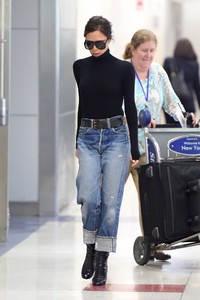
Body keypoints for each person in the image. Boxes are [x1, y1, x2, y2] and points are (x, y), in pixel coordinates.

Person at [73, 16, 140, 286]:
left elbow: (131, 109)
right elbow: (83, 103)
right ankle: (90, 246)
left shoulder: (124, 69)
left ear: (109, 39)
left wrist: (134, 146)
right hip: (88, 136)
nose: (94, 49)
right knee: (88, 197)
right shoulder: (79, 67)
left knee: (111, 203)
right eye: (88, 44)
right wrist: (78, 139)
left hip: (117, 138)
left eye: (99, 43)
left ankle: (101, 258)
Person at [123, 29, 196, 261]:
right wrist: (136, 118)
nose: (148, 55)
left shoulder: (158, 72)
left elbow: (171, 101)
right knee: (110, 199)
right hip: (121, 144)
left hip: (147, 146)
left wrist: (185, 117)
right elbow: (116, 106)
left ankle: (153, 242)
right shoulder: (122, 72)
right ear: (133, 50)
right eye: (144, 51)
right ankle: (101, 247)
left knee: (150, 195)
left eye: (152, 51)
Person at [163, 38, 200, 124]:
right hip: (189, 104)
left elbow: (163, 85)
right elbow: (197, 87)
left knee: (170, 133)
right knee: (187, 134)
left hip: (171, 106)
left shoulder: (169, 62)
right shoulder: (194, 64)